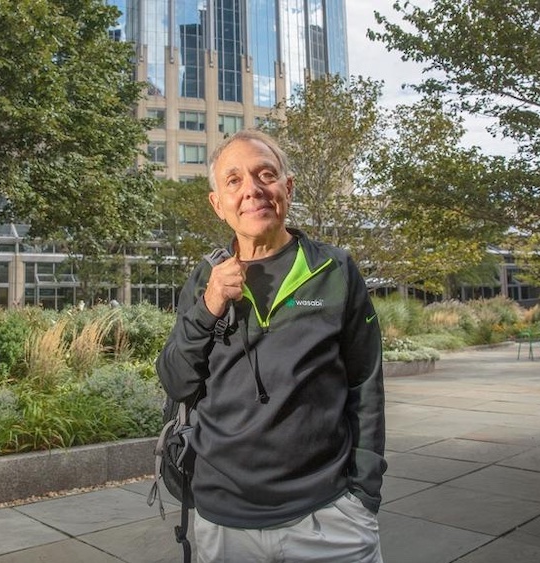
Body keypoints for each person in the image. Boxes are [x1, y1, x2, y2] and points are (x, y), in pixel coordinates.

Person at [156, 130, 386, 562]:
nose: (252, 190)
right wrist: (208, 305)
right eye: (234, 180)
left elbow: (366, 385)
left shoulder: (333, 270)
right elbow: (175, 380)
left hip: (329, 517)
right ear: (217, 204)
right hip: (224, 520)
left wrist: (363, 494)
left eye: (266, 175)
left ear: (287, 187)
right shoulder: (205, 278)